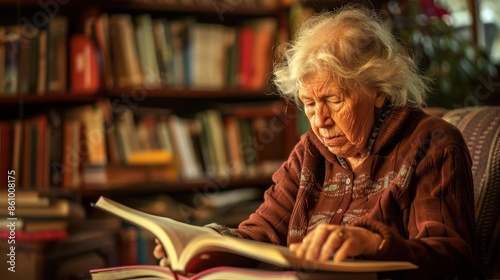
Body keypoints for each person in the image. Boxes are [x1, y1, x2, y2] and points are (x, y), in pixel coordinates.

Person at [154, 5, 476, 279]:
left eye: (334, 100)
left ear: (378, 90)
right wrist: (199, 245)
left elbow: (451, 257)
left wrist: (372, 243)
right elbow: (260, 235)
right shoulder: (309, 152)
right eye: (309, 103)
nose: (319, 120)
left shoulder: (431, 145)